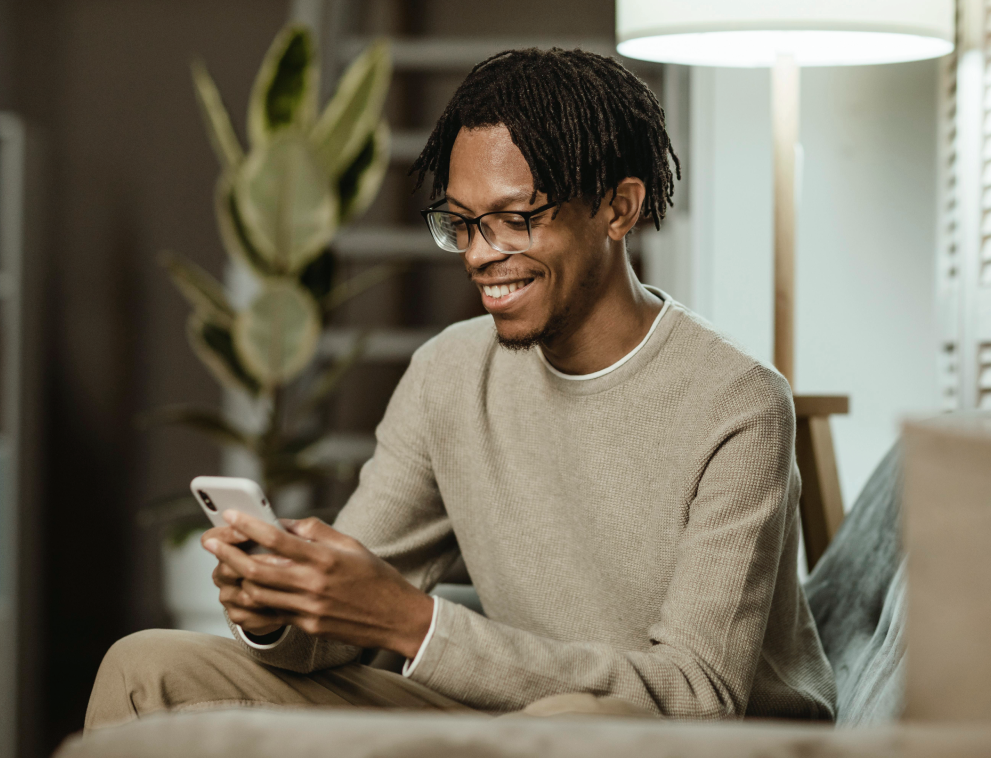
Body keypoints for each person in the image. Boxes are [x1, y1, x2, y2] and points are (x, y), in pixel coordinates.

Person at [85, 47, 836, 729]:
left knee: (575, 725)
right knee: (146, 669)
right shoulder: (449, 373)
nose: (482, 254)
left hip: (671, 738)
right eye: (463, 224)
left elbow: (698, 699)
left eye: (516, 219)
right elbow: (350, 619)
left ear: (620, 208)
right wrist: (282, 610)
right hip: (507, 715)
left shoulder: (738, 403)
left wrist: (417, 625)